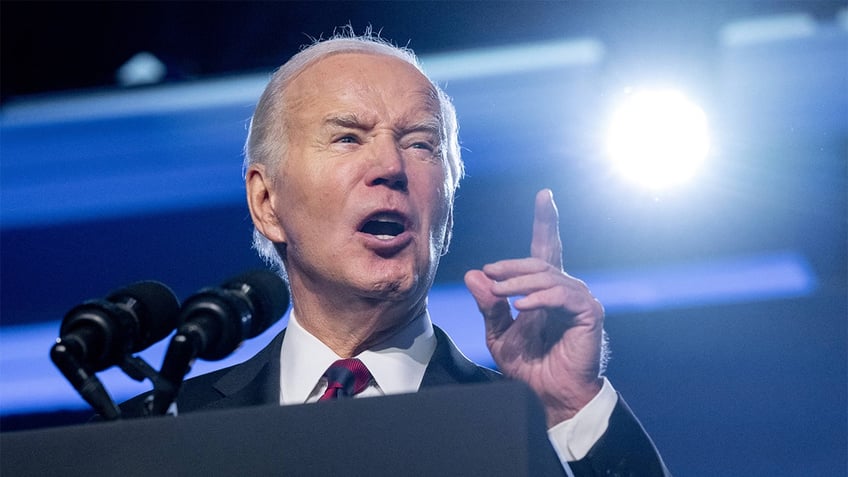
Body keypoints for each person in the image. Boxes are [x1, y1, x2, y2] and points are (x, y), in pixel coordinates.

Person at [121, 32, 670, 476]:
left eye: (420, 144)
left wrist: (571, 409)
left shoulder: (525, 427)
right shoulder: (164, 432)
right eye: (348, 138)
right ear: (266, 202)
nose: (390, 166)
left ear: (449, 202)